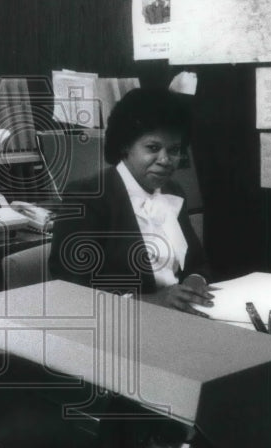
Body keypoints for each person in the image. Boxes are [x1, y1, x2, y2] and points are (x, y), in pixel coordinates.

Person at [48, 87, 216, 315]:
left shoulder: (173, 191)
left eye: (174, 150)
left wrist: (195, 281)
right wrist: (153, 301)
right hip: (119, 326)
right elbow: (71, 289)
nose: (166, 160)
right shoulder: (88, 196)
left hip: (176, 320)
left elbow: (197, 263)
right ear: (126, 145)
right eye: (153, 148)